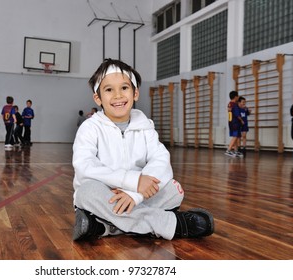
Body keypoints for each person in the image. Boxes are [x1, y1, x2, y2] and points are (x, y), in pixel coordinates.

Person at [72, 58, 214, 241]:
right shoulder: (90, 128)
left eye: (124, 88)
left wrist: (135, 194)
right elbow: (85, 167)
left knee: (174, 189)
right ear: (97, 98)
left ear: (135, 93)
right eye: (109, 90)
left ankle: (104, 227)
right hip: (107, 196)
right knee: (86, 191)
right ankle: (175, 225)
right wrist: (133, 181)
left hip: (138, 196)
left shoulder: (145, 126)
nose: (117, 95)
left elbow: (161, 161)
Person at [225, 90, 243, 158]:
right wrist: (241, 120)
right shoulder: (234, 105)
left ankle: (235, 151)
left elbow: (230, 113)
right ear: (235, 97)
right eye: (237, 96)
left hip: (230, 122)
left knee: (235, 137)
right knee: (235, 137)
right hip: (235, 122)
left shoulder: (229, 104)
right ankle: (228, 150)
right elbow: (237, 114)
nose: (238, 97)